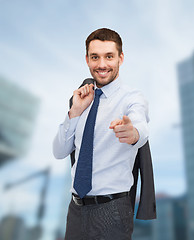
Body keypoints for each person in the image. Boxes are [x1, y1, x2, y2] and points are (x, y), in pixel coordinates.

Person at [53, 28, 150, 240]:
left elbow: (141, 127)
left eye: (109, 56)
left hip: (113, 210)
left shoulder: (132, 98)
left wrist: (131, 132)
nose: (102, 65)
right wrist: (75, 111)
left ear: (120, 58)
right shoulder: (81, 99)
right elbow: (59, 151)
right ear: (87, 59)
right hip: (76, 209)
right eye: (95, 57)